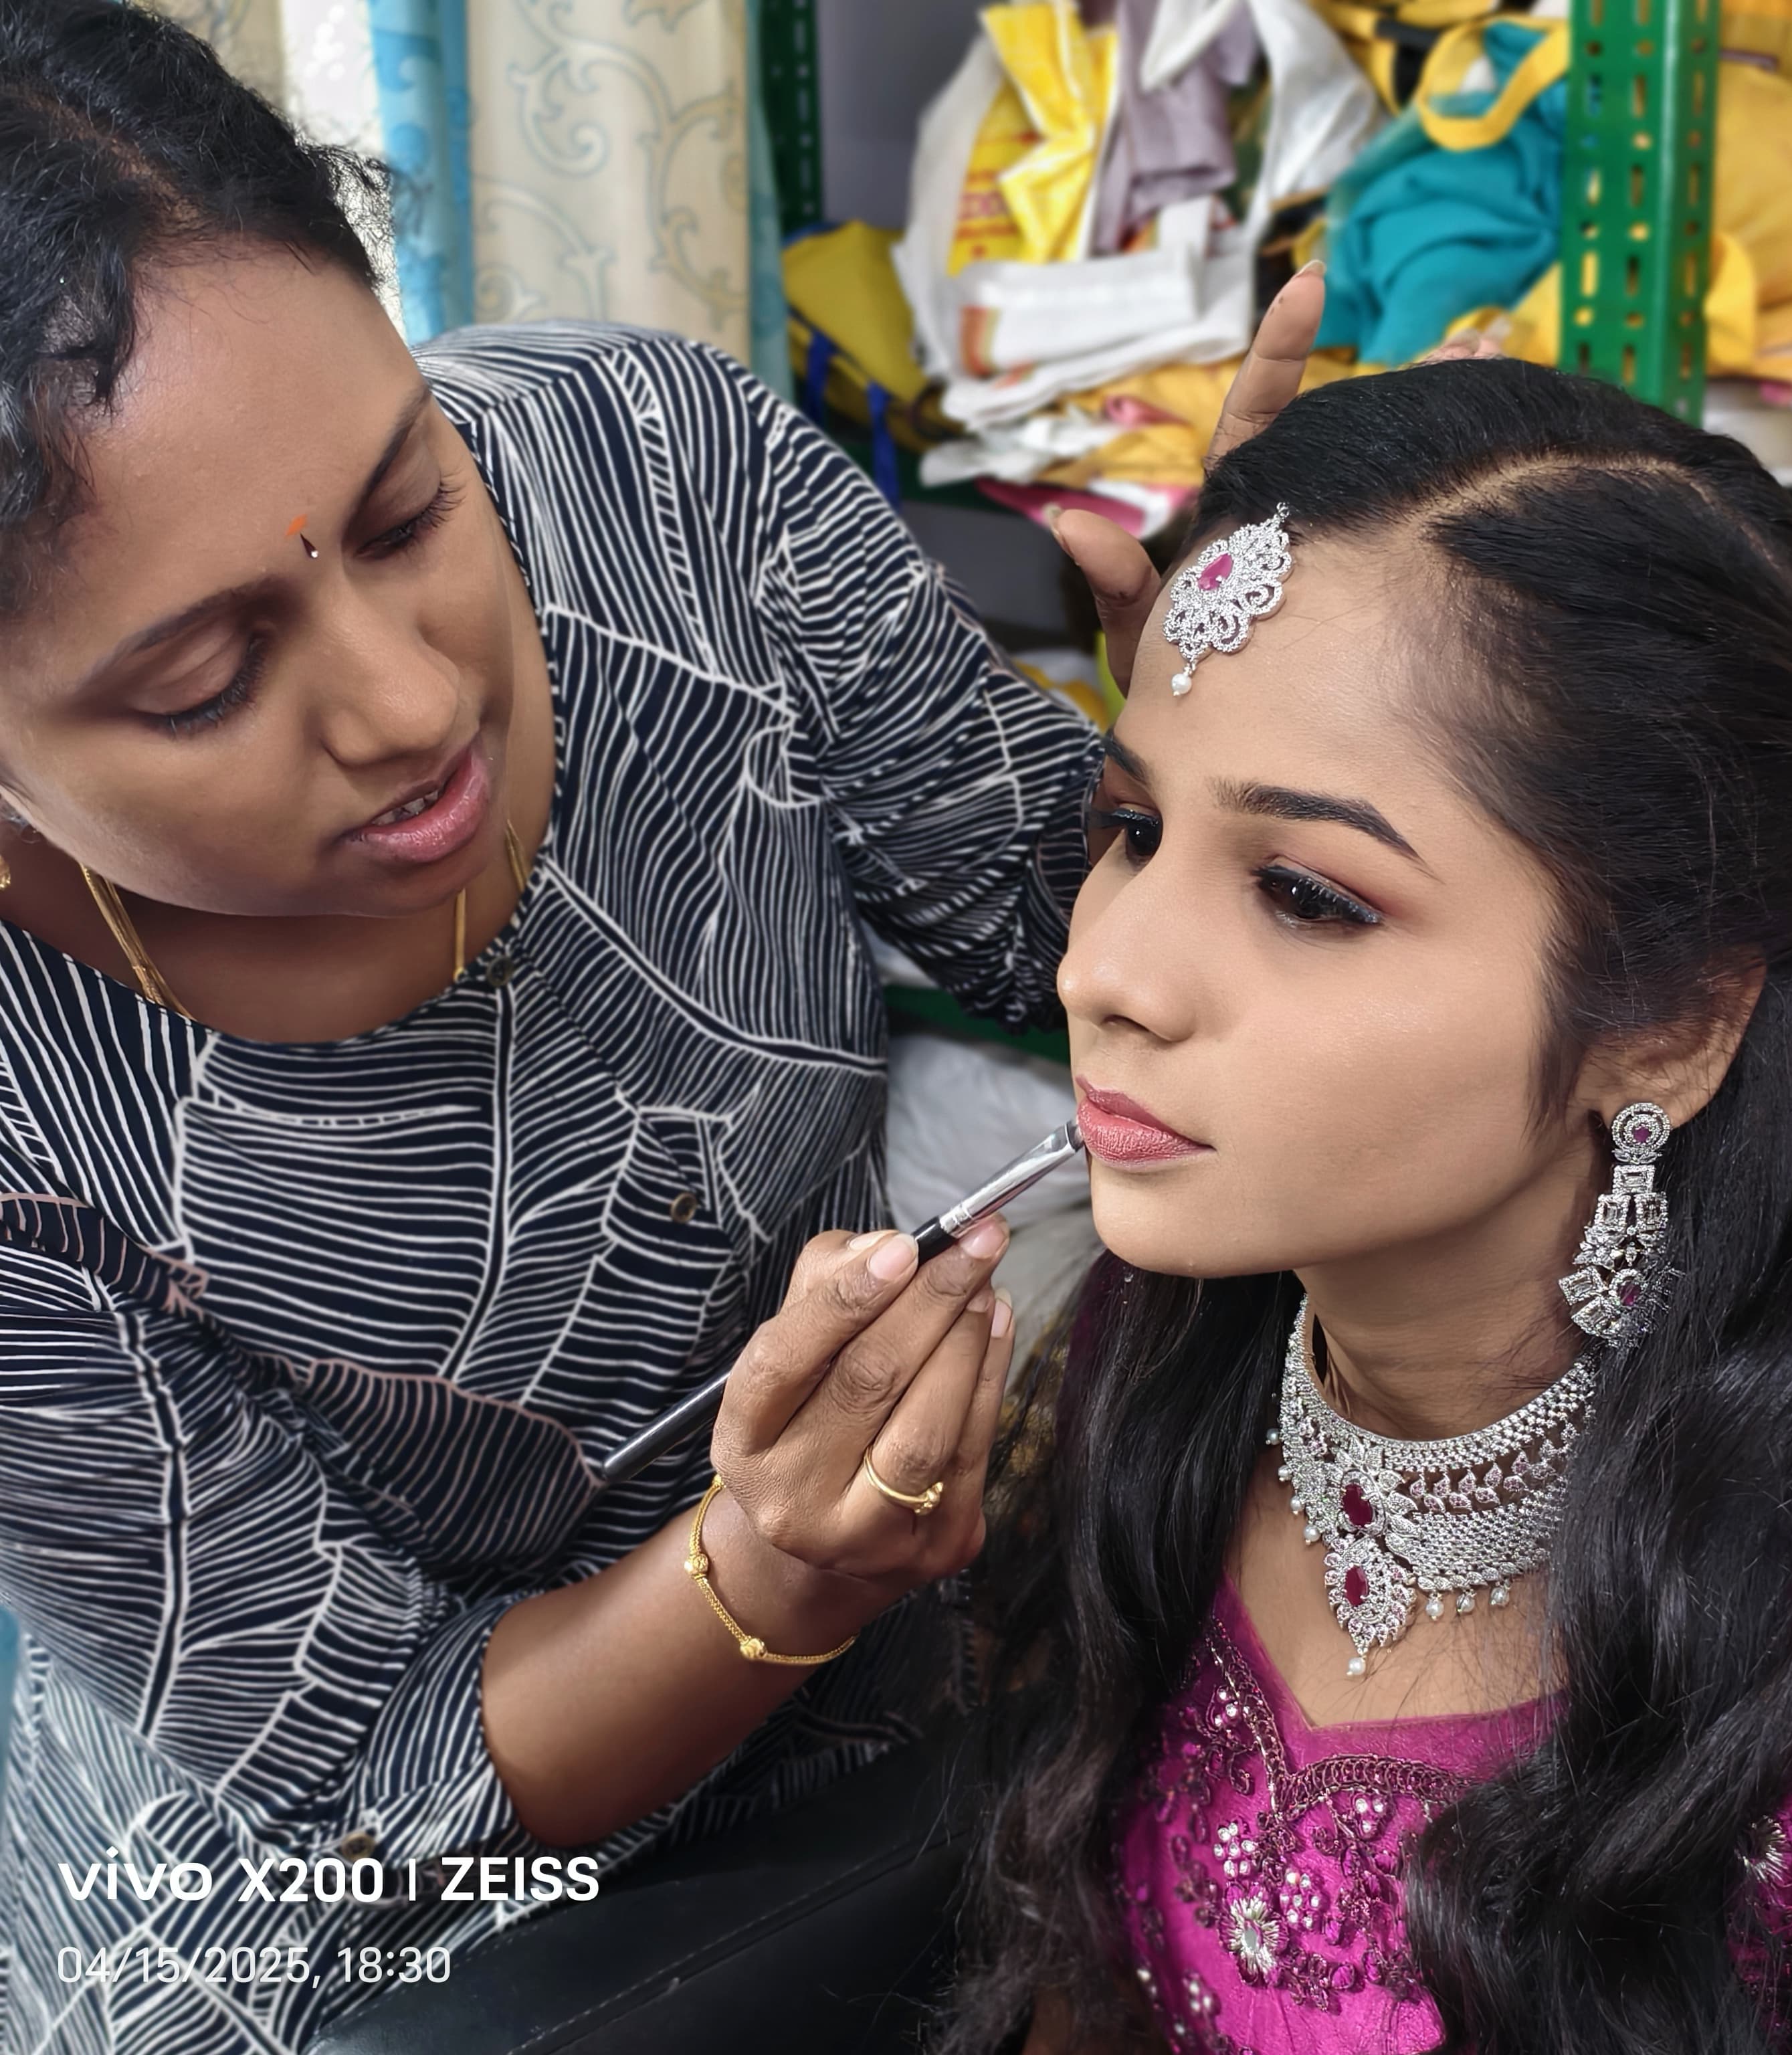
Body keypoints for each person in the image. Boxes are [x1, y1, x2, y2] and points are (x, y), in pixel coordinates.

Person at [0, 4, 1324, 2048]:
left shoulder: (655, 480)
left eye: (408, 507)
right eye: (200, 683)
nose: (410, 702)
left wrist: (1236, 738)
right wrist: (765, 1579)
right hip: (362, 1916)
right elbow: (376, 1798)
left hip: (872, 1674)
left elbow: (1053, 920)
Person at [947, 359, 1792, 2054]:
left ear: (1670, 1018)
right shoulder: (1159, 1365)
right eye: (1134, 826)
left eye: (1306, 893)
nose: (1104, 966)